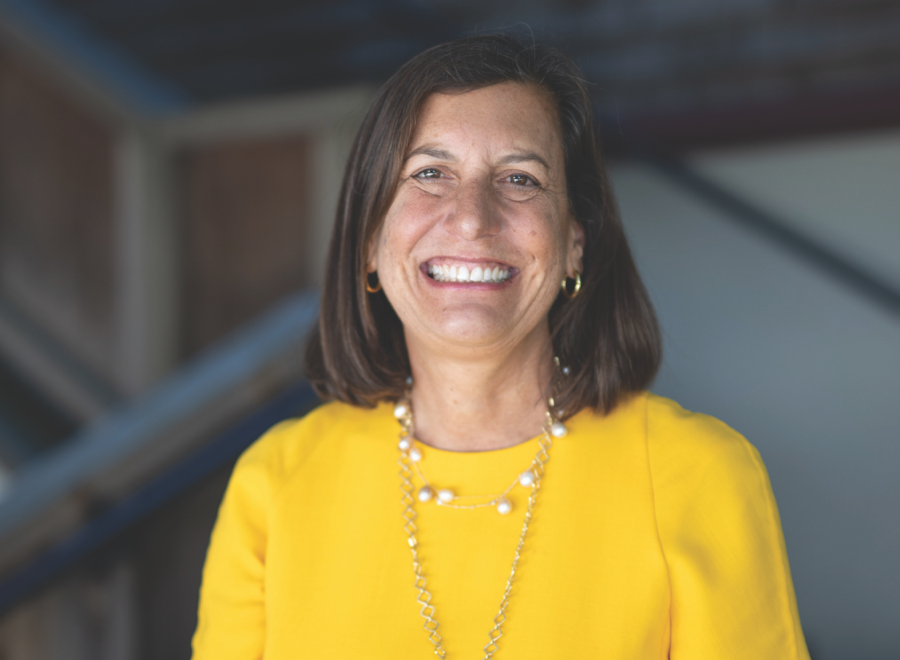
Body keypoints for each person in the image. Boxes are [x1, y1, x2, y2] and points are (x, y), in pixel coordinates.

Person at [192, 34, 810, 660]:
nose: (471, 218)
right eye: (430, 174)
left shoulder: (701, 475)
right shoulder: (275, 484)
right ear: (370, 240)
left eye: (520, 179)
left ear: (573, 244)